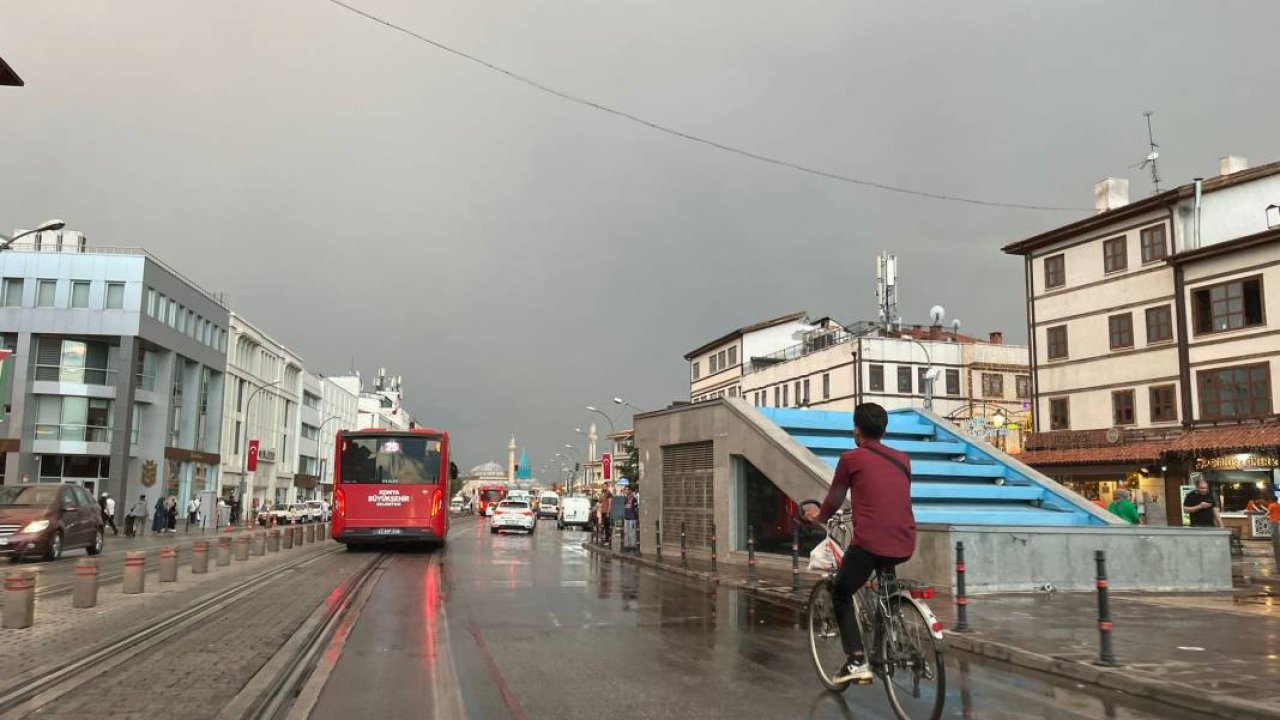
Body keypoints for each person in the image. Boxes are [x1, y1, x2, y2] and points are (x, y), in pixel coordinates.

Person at [804, 403, 916, 685]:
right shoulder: (903, 458)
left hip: (870, 541)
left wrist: (820, 517)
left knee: (841, 591)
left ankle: (857, 660)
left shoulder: (851, 459)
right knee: (884, 587)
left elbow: (835, 497)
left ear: (857, 429)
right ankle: (884, 643)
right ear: (884, 429)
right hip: (905, 539)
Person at [621, 485, 640, 553]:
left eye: (627, 489)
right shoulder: (626, 498)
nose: (626, 490)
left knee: (632, 532)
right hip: (626, 517)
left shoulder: (634, 499)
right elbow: (625, 506)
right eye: (625, 489)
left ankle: (632, 546)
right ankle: (626, 545)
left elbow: (635, 508)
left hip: (632, 517)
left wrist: (636, 516)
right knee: (626, 532)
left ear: (630, 491)